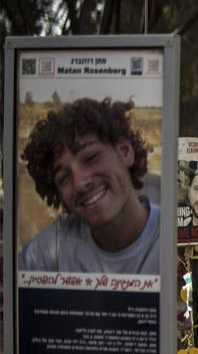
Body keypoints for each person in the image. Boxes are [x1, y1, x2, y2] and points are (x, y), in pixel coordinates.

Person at [18, 98, 160, 274]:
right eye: (63, 178)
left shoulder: (171, 239)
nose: (80, 183)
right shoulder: (55, 247)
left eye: (91, 158)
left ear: (125, 151)